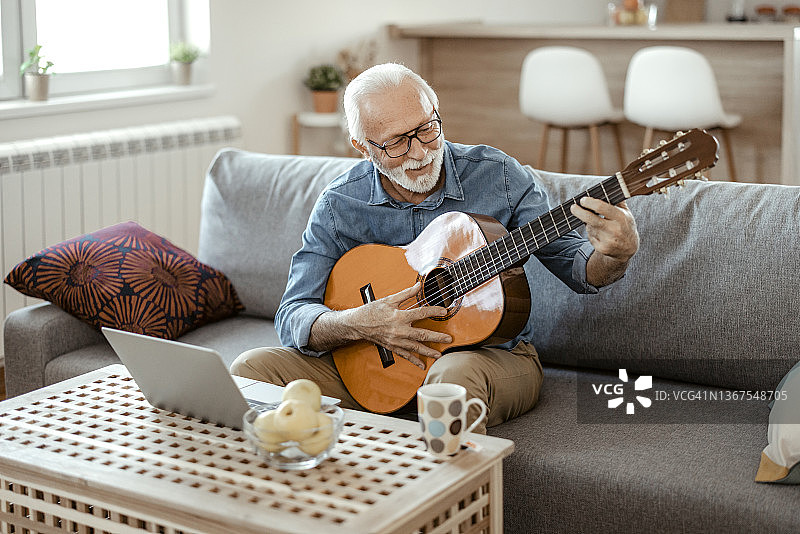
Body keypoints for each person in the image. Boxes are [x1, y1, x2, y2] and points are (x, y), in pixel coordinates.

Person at [230, 63, 639, 433]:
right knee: (251, 371)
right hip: (376, 369)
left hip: (488, 360)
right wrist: (360, 322)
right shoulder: (340, 205)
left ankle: (447, 514)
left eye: (427, 128)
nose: (421, 152)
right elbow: (293, 315)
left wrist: (614, 254)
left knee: (449, 384)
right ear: (362, 147)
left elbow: (577, 266)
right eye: (396, 143)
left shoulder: (497, 175)